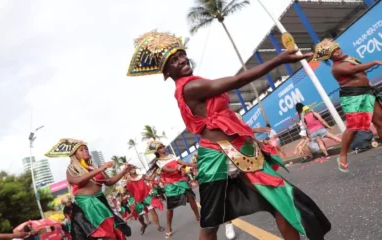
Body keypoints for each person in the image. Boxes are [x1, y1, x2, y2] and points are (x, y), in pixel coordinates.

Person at [127, 31, 331, 240]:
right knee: (211, 224)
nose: (181, 60)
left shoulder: (191, 83)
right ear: (167, 72)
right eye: (173, 60)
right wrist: (277, 60)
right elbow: (237, 80)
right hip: (218, 157)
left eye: (181, 54)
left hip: (236, 151)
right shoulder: (190, 87)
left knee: (279, 202)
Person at [313, 38, 382, 172]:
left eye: (337, 49)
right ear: (329, 57)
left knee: (380, 121)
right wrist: (374, 61)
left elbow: (361, 73)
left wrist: (368, 84)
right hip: (352, 96)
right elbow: (355, 70)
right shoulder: (336, 68)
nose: (338, 52)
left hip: (367, 92)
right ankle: (343, 154)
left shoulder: (349, 59)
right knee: (354, 127)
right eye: (334, 52)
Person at [45, 138, 131, 240]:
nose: (85, 150)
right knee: (107, 233)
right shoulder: (72, 169)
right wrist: (101, 169)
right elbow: (79, 181)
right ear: (74, 155)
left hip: (101, 200)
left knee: (116, 231)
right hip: (87, 203)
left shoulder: (94, 166)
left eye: (86, 149)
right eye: (81, 150)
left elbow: (109, 182)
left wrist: (124, 171)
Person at [146, 140, 200, 239]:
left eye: (163, 146)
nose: (163, 148)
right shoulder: (158, 162)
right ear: (157, 151)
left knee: (191, 197)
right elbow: (167, 170)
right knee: (170, 208)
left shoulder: (171, 156)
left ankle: (198, 216)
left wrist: (192, 165)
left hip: (181, 181)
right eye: (161, 147)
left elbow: (183, 162)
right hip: (170, 185)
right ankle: (169, 227)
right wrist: (177, 168)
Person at [125, 166, 165, 235]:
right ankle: (143, 225)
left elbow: (150, 179)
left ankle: (158, 226)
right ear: (128, 171)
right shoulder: (129, 180)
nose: (132, 169)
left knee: (152, 211)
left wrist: (155, 170)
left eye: (133, 167)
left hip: (146, 196)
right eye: (130, 169)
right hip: (137, 199)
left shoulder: (141, 176)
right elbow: (130, 190)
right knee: (140, 216)